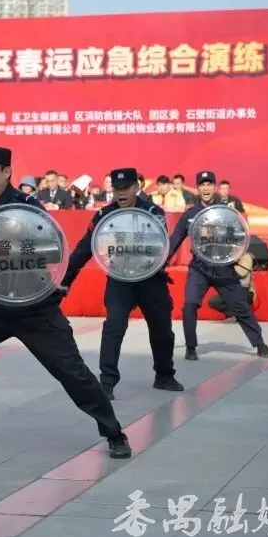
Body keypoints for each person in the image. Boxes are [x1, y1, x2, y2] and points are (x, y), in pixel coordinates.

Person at [0, 147, 130, 461]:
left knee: (73, 372)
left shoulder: (28, 207)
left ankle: (114, 432)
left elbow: (53, 249)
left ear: (6, 172)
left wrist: (12, 254)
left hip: (34, 306)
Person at [60, 168, 184, 400]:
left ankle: (164, 375)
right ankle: (106, 382)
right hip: (120, 280)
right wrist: (66, 279)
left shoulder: (153, 213)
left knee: (162, 331)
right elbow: (85, 248)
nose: (121, 193)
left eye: (126, 188)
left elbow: (160, 247)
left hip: (151, 279)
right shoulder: (104, 215)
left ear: (137, 187)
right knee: (114, 328)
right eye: (117, 189)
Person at [168, 171, 268, 360]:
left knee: (241, 306)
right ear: (197, 188)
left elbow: (239, 237)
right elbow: (175, 239)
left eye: (209, 184)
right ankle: (191, 347)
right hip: (199, 268)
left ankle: (260, 344)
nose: (206, 188)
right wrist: (161, 262)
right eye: (202, 185)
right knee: (189, 304)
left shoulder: (226, 212)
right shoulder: (190, 215)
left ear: (214, 187)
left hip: (223, 268)